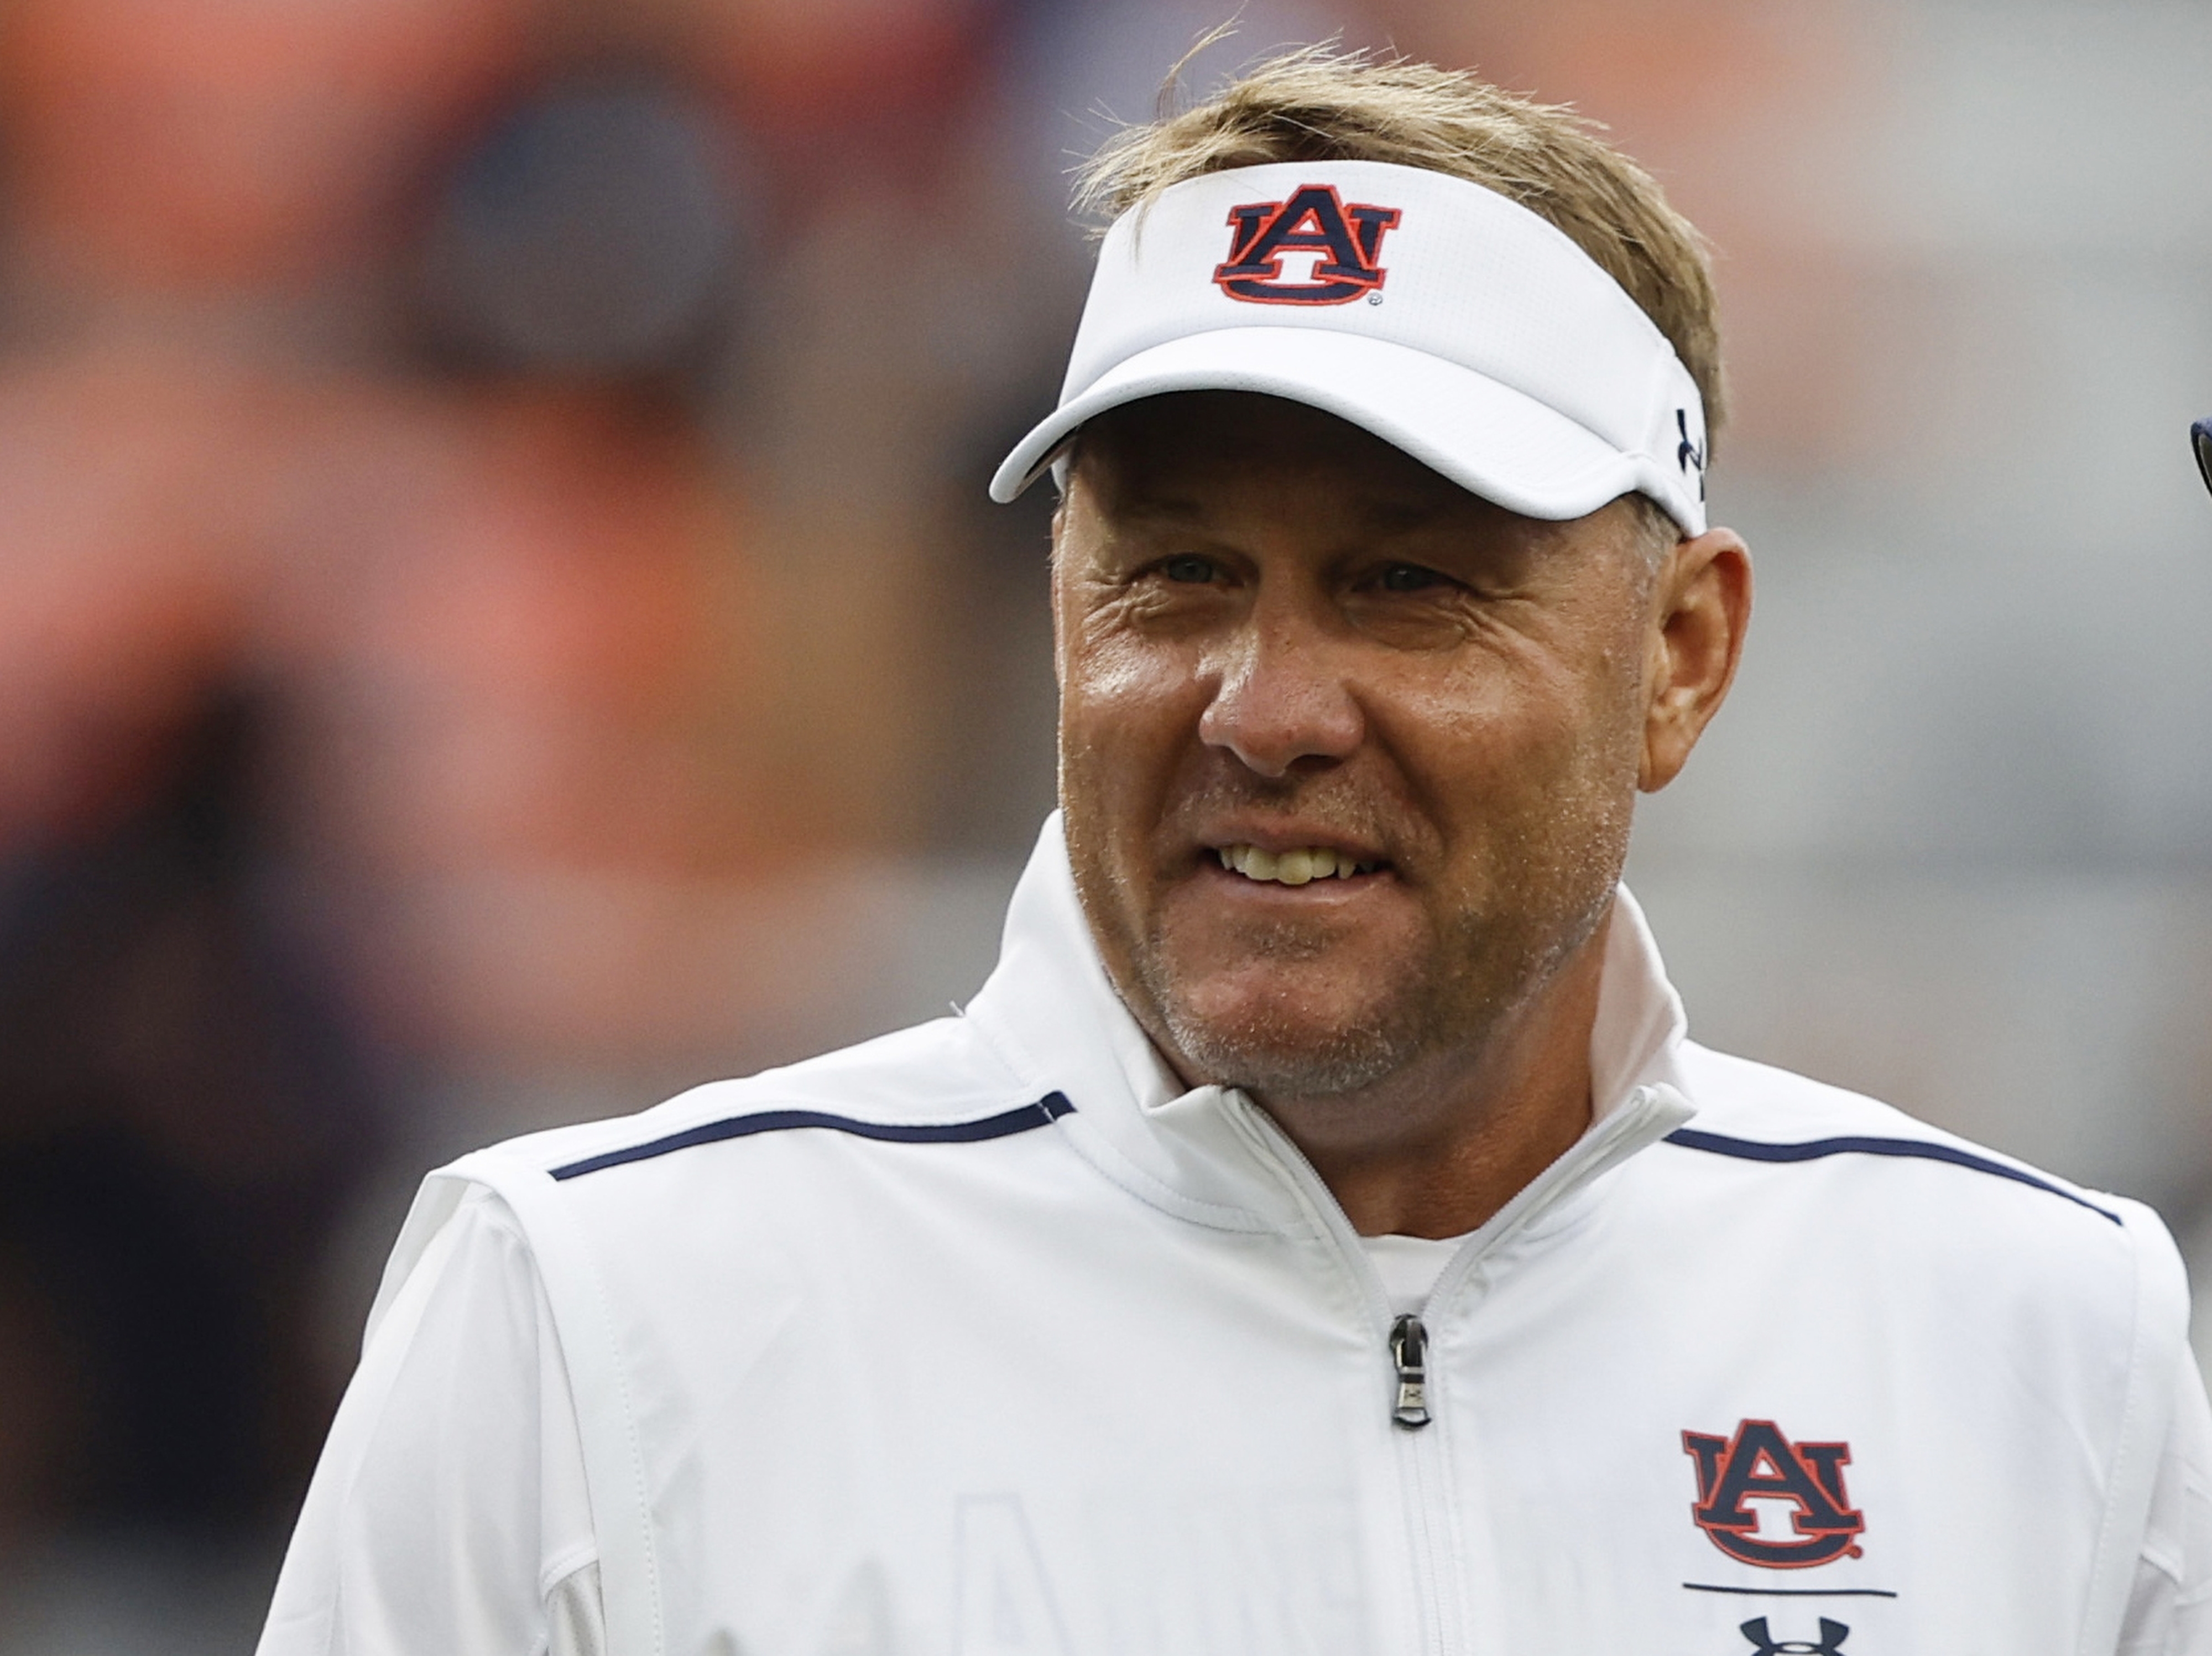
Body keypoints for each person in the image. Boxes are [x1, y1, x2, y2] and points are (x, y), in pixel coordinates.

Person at [259, 48, 2212, 1656]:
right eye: (1177, 573)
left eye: (1408, 584)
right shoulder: (592, 1316)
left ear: (1679, 659)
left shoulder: (2039, 1336)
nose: (1262, 706)